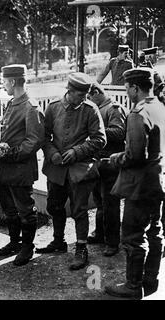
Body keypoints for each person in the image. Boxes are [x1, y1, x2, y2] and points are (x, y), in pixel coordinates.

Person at [36, 73, 106, 271]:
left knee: (79, 210)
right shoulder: (53, 107)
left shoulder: (90, 110)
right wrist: (52, 153)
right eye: (79, 95)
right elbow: (44, 136)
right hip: (56, 169)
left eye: (85, 95)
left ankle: (81, 248)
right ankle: (59, 241)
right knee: (54, 205)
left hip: (80, 170)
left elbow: (100, 139)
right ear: (69, 91)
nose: (84, 98)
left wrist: (77, 152)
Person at [105, 68, 165, 299]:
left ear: (135, 88)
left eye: (127, 87)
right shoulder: (159, 107)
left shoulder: (138, 113)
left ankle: (133, 286)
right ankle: (151, 280)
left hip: (140, 185)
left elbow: (134, 156)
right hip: (158, 181)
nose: (126, 91)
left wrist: (114, 158)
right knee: (155, 231)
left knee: (132, 236)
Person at [0, 64, 45, 266]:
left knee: (25, 209)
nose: (3, 86)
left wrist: (11, 152)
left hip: (20, 168)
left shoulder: (31, 108)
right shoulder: (11, 103)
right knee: (8, 208)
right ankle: (14, 242)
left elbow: (33, 141)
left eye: (4, 82)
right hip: (5, 168)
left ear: (12, 81)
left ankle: (28, 247)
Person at [87, 83, 127, 257]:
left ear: (96, 93)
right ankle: (100, 233)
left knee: (110, 204)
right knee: (98, 201)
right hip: (98, 163)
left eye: (89, 97)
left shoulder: (113, 109)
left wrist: (97, 131)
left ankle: (112, 242)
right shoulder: (98, 109)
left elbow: (119, 132)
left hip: (111, 163)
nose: (88, 101)